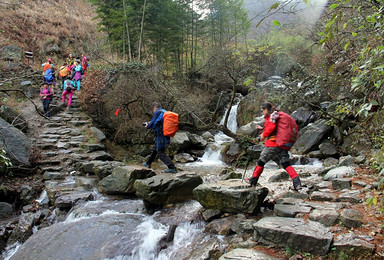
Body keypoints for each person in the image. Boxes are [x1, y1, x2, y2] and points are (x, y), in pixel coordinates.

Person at [247, 102, 303, 191]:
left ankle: (253, 180)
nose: (262, 112)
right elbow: (274, 129)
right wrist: (262, 130)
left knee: (261, 161)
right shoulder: (277, 116)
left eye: (262, 110)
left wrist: (262, 136)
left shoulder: (272, 116)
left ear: (266, 109)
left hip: (273, 144)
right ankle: (297, 183)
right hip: (282, 144)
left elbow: (271, 128)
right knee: (286, 164)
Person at [143, 102, 177, 173]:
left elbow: (152, 123)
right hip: (162, 134)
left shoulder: (157, 112)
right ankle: (148, 163)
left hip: (160, 135)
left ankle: (172, 167)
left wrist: (147, 125)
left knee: (160, 152)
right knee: (155, 149)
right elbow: (158, 122)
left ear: (154, 107)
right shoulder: (163, 111)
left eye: (153, 109)